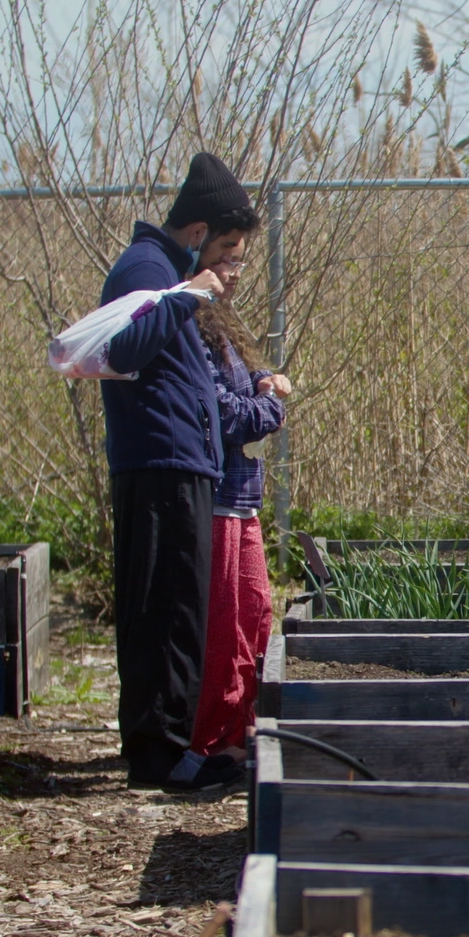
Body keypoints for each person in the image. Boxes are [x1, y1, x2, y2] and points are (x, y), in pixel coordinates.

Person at [99, 152, 258, 791]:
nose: (226, 266)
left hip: (179, 462)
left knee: (177, 607)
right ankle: (159, 755)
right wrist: (184, 297)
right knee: (166, 610)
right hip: (160, 462)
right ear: (197, 234)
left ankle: (164, 745)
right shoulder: (148, 269)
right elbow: (122, 349)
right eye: (223, 249)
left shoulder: (164, 271)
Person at [192, 294, 288, 763]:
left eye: (240, 258)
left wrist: (260, 385)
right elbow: (231, 415)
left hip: (243, 497)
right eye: (227, 256)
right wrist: (269, 400)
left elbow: (246, 384)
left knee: (255, 611)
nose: (235, 270)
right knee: (225, 625)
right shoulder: (190, 327)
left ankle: (244, 730)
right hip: (217, 497)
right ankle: (212, 741)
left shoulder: (223, 328)